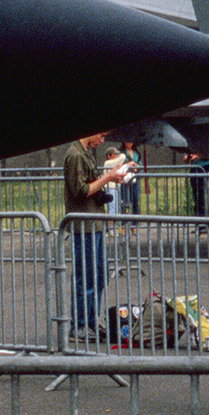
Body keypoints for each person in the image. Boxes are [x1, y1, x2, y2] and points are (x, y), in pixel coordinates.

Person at [63, 132, 132, 342]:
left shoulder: (86, 153)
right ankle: (79, 325)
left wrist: (110, 177)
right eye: (101, 136)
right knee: (86, 277)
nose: (102, 141)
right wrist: (108, 177)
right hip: (84, 225)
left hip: (95, 223)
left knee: (99, 275)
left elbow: (92, 184)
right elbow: (81, 191)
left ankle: (92, 320)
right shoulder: (75, 155)